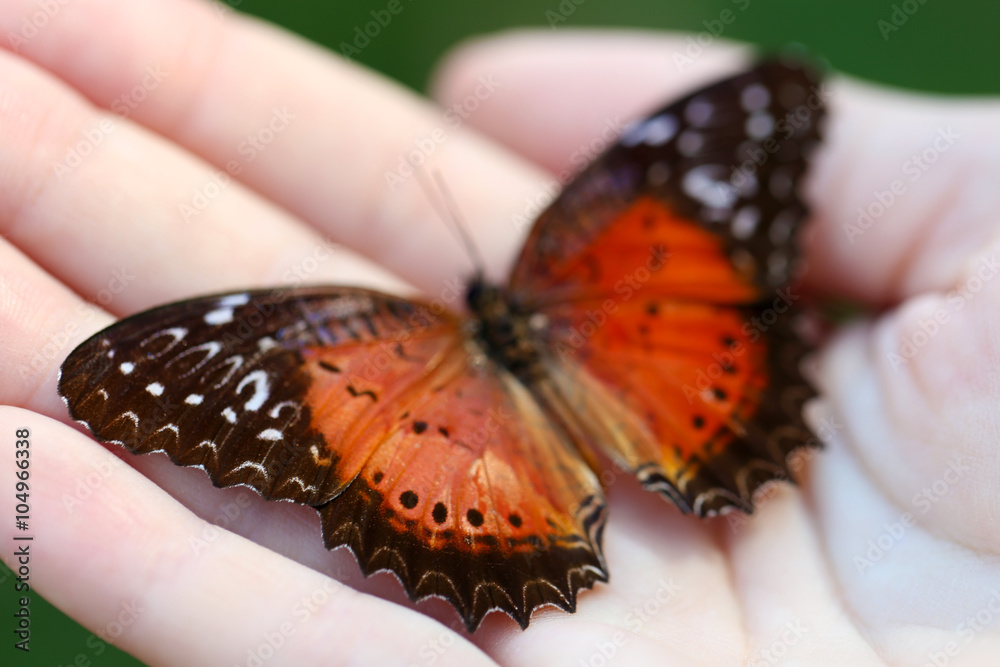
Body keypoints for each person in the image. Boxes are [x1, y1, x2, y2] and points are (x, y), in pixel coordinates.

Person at [1, 2, 998, 665]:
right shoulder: (582, 241)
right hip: (653, 376)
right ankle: (631, 484)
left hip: (490, 437)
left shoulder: (357, 334)